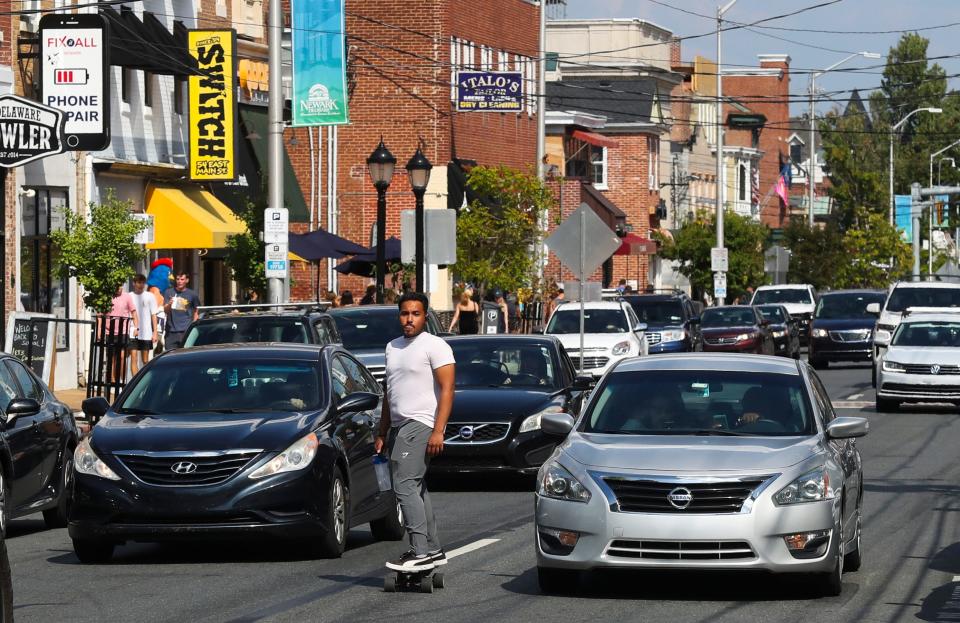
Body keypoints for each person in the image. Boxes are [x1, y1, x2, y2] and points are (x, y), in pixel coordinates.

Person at [375, 292, 455, 573]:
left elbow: (447, 390)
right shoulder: (392, 347)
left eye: (415, 314)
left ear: (425, 316)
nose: (409, 319)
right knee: (417, 486)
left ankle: (419, 552)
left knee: (405, 485)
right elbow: (389, 391)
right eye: (404, 313)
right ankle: (432, 550)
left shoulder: (436, 346)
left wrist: (438, 430)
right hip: (398, 426)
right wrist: (382, 429)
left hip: (421, 423)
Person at [128, 274, 158, 375]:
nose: (141, 285)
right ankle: (134, 385)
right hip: (133, 331)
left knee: (145, 360)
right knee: (134, 358)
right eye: (138, 282)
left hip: (146, 332)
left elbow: (154, 314)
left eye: (142, 283)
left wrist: (155, 332)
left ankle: (145, 382)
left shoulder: (150, 296)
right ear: (134, 283)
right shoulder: (130, 296)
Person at [163, 272, 200, 350]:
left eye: (182, 279)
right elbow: (165, 310)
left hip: (186, 331)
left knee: (186, 356)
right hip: (171, 332)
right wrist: (169, 304)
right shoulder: (168, 292)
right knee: (170, 356)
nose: (179, 281)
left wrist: (193, 324)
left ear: (187, 280)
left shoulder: (192, 294)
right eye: (178, 279)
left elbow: (197, 310)